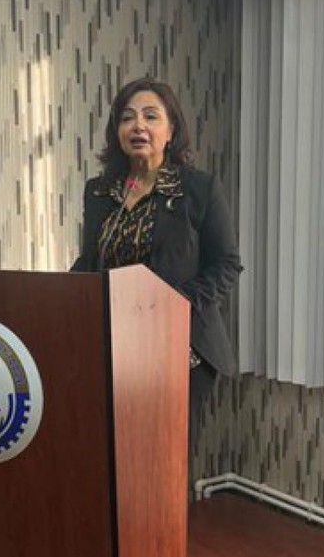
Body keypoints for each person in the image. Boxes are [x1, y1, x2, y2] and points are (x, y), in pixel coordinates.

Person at [71, 77, 242, 477]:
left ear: (171, 129)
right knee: (117, 461)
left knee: (163, 466)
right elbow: (90, 261)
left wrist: (172, 307)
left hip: (180, 347)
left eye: (151, 116)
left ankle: (167, 523)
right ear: (117, 131)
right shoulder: (100, 192)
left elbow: (226, 264)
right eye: (127, 118)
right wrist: (62, 295)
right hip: (115, 345)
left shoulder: (198, 189)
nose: (138, 126)